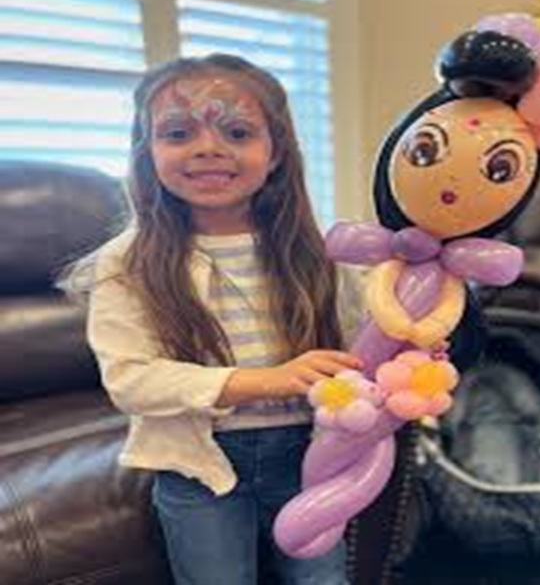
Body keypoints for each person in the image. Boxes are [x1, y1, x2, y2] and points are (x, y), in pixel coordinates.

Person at [83, 54, 364, 585]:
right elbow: (130, 380)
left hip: (310, 453)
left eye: (237, 132)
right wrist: (266, 381)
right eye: (178, 133)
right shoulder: (126, 262)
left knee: (323, 580)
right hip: (197, 465)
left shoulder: (317, 250)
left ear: (275, 152)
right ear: (147, 151)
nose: (208, 147)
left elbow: (362, 336)